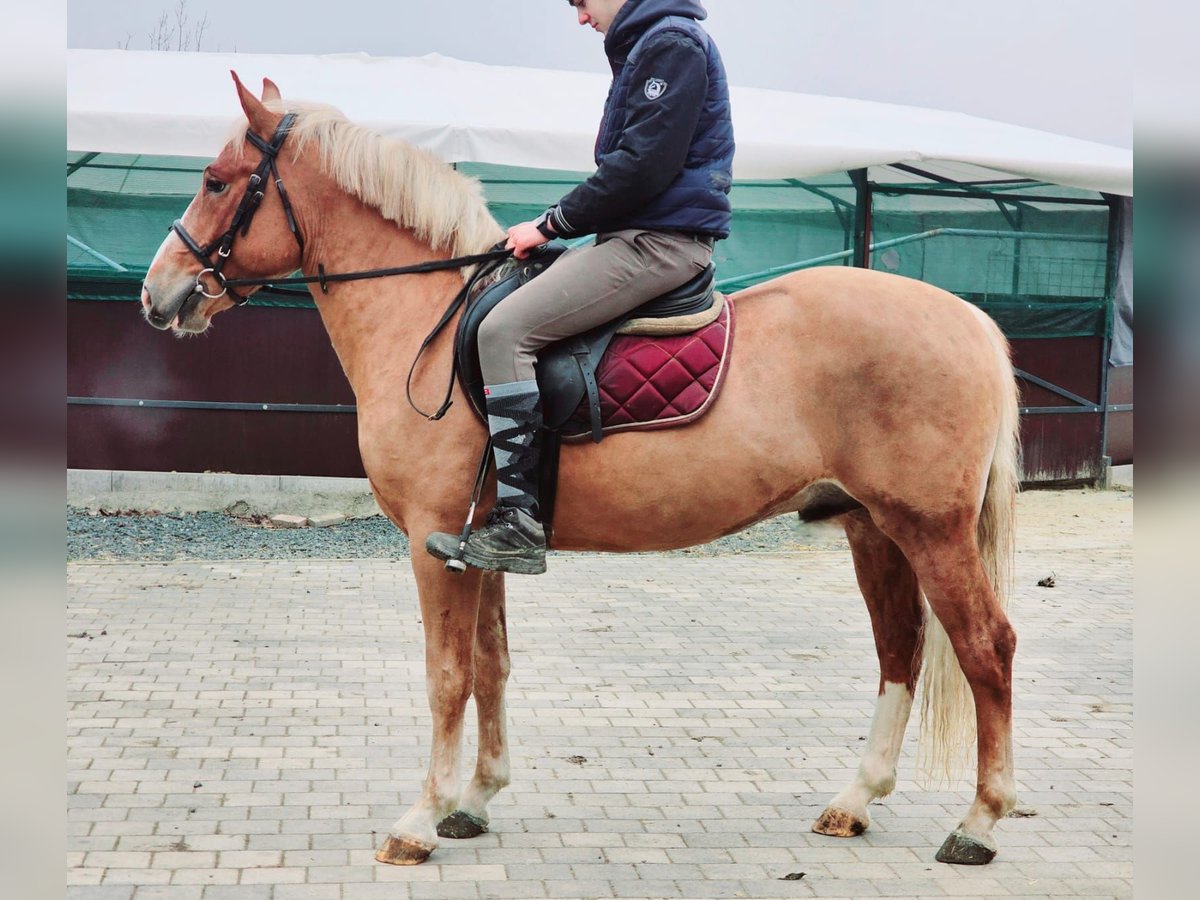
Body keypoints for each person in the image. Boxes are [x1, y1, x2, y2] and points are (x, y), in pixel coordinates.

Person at [427, 0, 735, 574]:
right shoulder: (650, 43)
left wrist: (551, 223)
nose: (579, 18)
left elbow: (642, 166)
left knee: (503, 331)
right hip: (636, 235)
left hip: (658, 243)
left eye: (580, 2)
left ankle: (519, 522)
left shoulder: (672, 44)